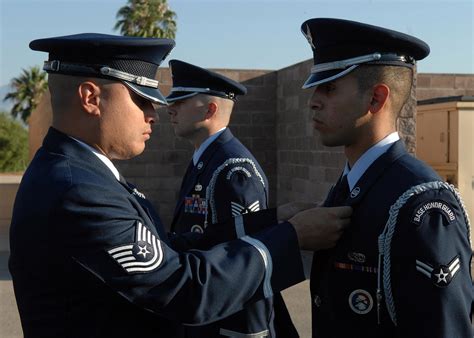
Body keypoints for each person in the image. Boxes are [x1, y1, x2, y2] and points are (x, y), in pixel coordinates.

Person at [8, 33, 352, 337]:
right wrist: (292, 238)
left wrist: (269, 222)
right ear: (91, 98)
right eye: (141, 99)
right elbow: (183, 288)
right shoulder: (78, 191)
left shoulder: (80, 174)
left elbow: (168, 247)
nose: (154, 113)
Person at [300, 18, 473, 338]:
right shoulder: (348, 185)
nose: (313, 101)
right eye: (315, 87)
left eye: (330, 87)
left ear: (376, 99)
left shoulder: (423, 202)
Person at [166, 59, 298, 337]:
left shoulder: (234, 169)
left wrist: (249, 332)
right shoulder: (206, 159)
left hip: (225, 324)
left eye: (181, 102)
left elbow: (248, 258)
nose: (171, 108)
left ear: (210, 109)